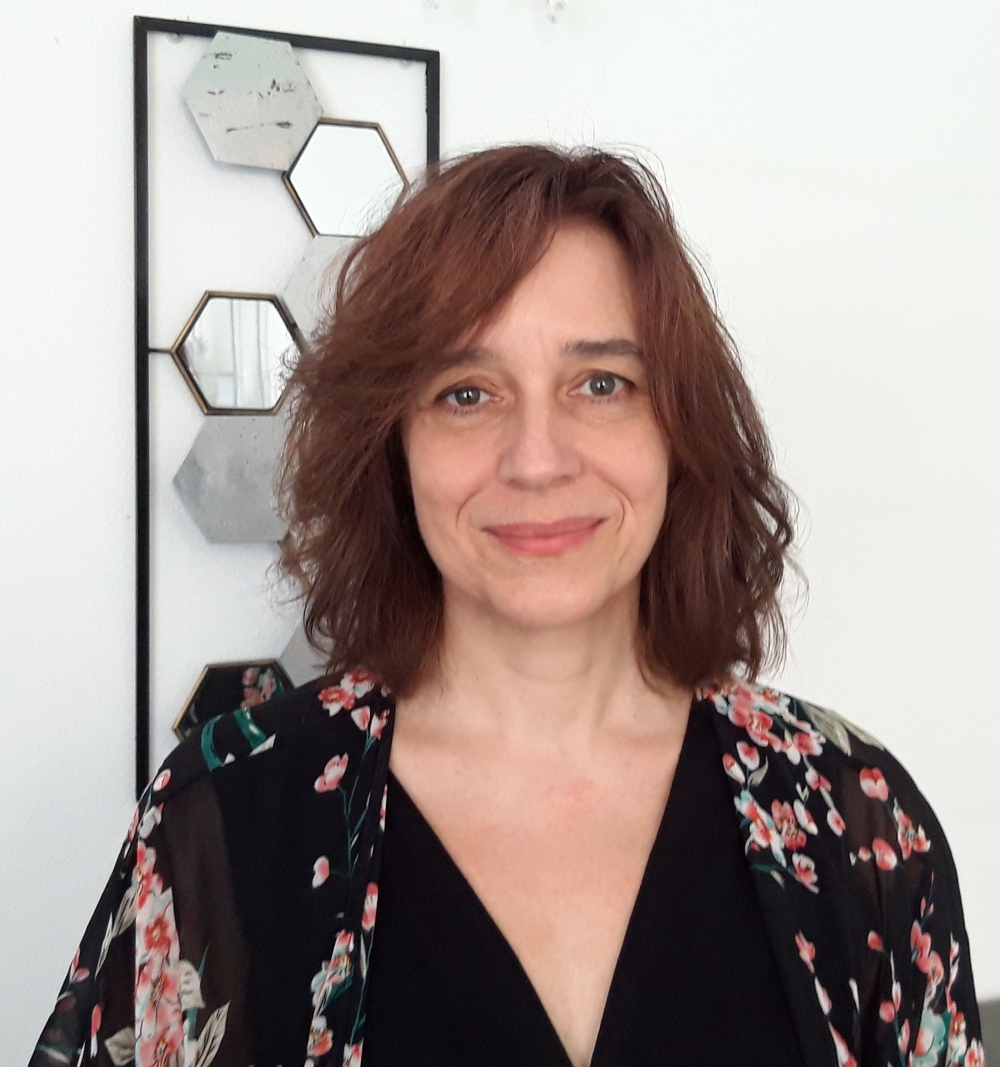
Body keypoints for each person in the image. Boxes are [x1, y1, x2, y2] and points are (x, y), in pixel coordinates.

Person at [31, 146, 984, 1067]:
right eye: (467, 393)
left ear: (679, 429)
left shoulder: (854, 820)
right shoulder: (227, 813)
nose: (537, 459)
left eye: (602, 384)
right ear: (392, 446)